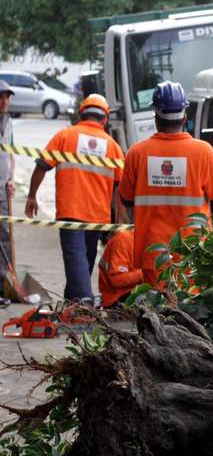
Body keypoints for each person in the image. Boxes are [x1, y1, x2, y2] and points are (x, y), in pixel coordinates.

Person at [119, 82, 213, 288]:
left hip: (154, 254)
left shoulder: (136, 153)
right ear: (184, 117)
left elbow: (125, 198)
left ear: (156, 117)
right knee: (191, 306)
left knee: (159, 306)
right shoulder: (203, 152)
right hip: (193, 253)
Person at [24, 94, 124, 301]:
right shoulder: (112, 146)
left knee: (77, 261)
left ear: (81, 114)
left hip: (71, 212)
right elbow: (119, 188)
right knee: (82, 262)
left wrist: (32, 196)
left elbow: (42, 166)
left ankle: (81, 302)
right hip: (98, 217)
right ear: (105, 118)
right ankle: (79, 301)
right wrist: (119, 219)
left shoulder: (65, 136)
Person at [97, 229, 141, 307]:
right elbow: (117, 280)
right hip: (117, 296)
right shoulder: (123, 240)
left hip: (130, 293)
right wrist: (145, 273)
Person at [0, 81, 14, 273]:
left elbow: (11, 154)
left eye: (7, 98)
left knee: (4, 235)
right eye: (0, 98)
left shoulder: (9, 122)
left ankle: (3, 279)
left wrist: (11, 179)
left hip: (3, 188)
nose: (4, 102)